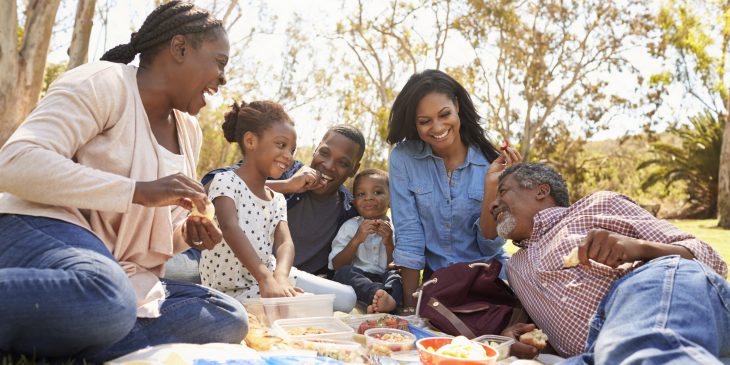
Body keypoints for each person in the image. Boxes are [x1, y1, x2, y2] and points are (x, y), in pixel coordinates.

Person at [0, 2, 247, 362]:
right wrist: (139, 191)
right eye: (220, 62)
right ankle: (88, 324)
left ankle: (65, 341)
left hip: (111, 270)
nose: (223, 77)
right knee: (108, 297)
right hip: (40, 230)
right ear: (180, 48)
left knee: (227, 317)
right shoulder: (104, 82)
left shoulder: (188, 130)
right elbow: (15, 163)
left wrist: (184, 234)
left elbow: (147, 229)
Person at [491, 163, 729, 364]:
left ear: (541, 191)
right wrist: (518, 338)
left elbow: (711, 261)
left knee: (647, 347)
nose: (493, 205)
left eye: (502, 192)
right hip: (595, 355)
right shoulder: (515, 268)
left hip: (646, 292)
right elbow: (557, 334)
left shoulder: (597, 205)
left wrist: (638, 248)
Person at [386, 69, 521, 312]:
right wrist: (409, 307)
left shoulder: (492, 163)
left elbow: (489, 245)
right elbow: (409, 235)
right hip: (438, 285)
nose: (437, 127)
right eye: (424, 121)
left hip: (489, 281)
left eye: (444, 114)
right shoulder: (403, 158)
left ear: (457, 106)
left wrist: (493, 187)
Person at [201, 122, 360, 312]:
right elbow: (210, 186)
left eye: (343, 163)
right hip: (239, 269)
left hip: (285, 274)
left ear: (354, 170)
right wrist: (287, 185)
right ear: (315, 150)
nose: (328, 166)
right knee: (180, 267)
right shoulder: (284, 170)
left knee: (347, 299)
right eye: (324, 153)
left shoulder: (349, 210)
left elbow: (287, 243)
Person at [200, 100, 301, 300]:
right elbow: (230, 228)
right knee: (296, 310)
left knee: (343, 299)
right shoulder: (225, 182)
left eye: (292, 150)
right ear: (251, 141)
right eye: (281, 145)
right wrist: (265, 279)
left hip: (269, 281)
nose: (288, 156)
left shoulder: (277, 199)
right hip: (231, 292)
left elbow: (284, 242)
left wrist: (280, 277)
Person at [329, 168, 403, 314]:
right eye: (362, 194)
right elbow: (337, 265)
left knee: (398, 277)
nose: (369, 198)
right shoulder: (350, 226)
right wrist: (357, 240)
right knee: (343, 272)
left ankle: (381, 301)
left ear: (391, 199)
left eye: (377, 192)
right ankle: (379, 296)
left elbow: (395, 266)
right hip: (359, 280)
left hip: (385, 278)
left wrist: (388, 243)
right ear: (355, 202)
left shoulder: (397, 228)